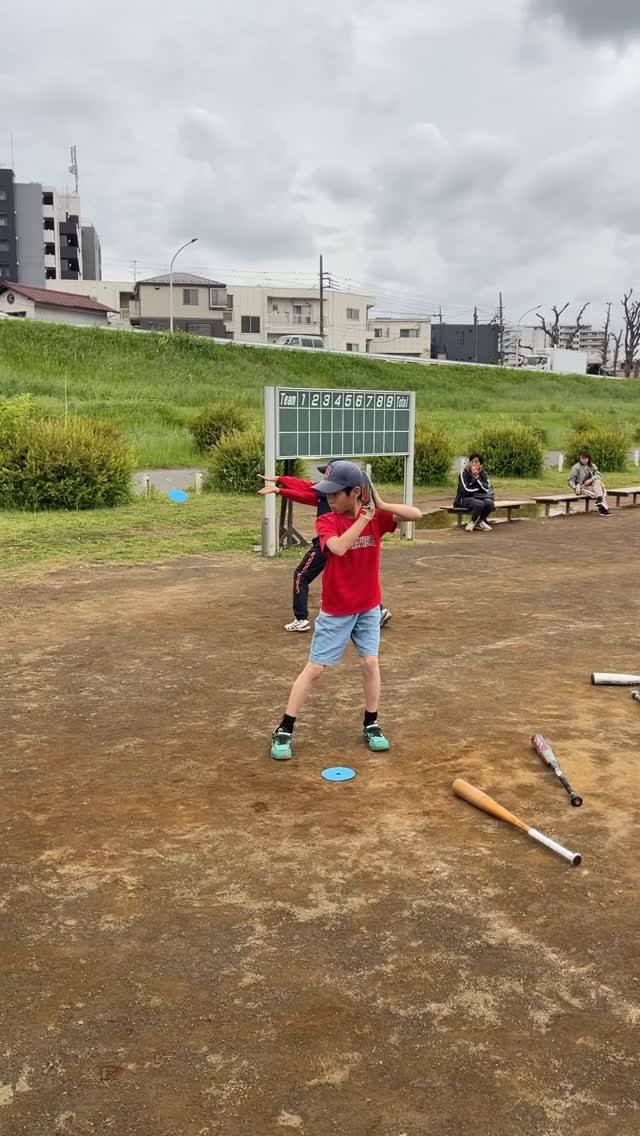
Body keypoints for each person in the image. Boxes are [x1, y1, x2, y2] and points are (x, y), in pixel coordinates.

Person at [269, 460, 421, 760]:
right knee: (315, 668)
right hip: (337, 610)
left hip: (368, 607)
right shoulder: (328, 521)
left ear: (355, 493)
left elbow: (416, 514)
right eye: (327, 493)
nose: (329, 498)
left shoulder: (377, 517)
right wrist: (364, 519)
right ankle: (284, 728)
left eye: (335, 493)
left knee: (370, 663)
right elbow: (338, 548)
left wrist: (380, 504)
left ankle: (372, 722)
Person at [258, 464, 392, 632]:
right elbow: (306, 494)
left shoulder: (333, 493)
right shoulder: (330, 494)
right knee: (351, 575)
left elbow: (306, 487)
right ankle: (378, 609)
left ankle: (301, 619)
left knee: (301, 575)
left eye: (327, 474)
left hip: (330, 542)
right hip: (334, 540)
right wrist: (280, 486)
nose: (325, 479)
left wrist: (280, 483)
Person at [454, 453, 496, 532]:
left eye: (476, 462)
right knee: (479, 504)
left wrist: (477, 478)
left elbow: (486, 488)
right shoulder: (464, 473)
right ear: (470, 463)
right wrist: (478, 489)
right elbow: (465, 490)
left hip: (480, 497)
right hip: (464, 498)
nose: (474, 464)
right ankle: (473, 522)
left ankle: (479, 521)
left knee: (490, 503)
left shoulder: (484, 474)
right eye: (472, 462)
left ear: (480, 465)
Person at [568, 451, 611, 516]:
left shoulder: (592, 466)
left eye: (585, 458)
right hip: (581, 487)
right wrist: (575, 487)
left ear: (589, 458)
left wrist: (591, 480)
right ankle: (604, 509)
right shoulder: (576, 467)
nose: (584, 460)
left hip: (592, 486)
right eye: (582, 458)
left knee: (598, 481)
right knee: (599, 490)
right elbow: (570, 480)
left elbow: (598, 475)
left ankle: (599, 501)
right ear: (580, 458)